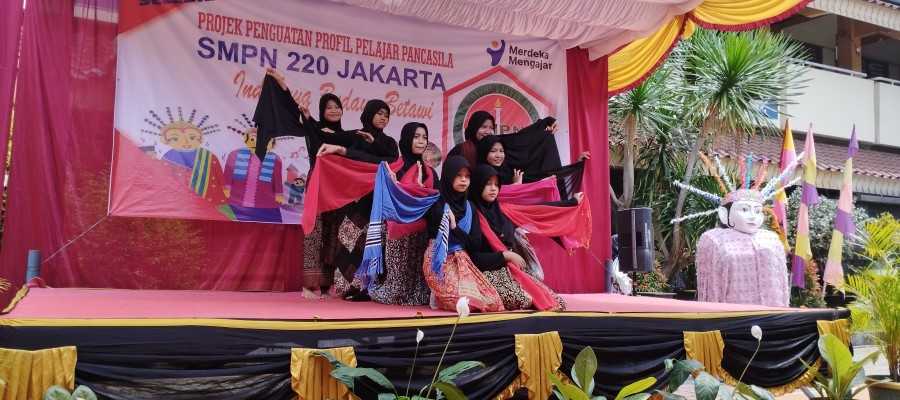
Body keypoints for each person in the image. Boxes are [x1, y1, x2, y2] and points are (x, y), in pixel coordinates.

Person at [316, 99, 400, 301]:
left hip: (376, 200)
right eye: (379, 113)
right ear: (369, 114)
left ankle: (370, 287)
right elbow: (330, 142)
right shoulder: (354, 136)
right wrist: (308, 119)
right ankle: (348, 287)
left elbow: (390, 161)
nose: (383, 118)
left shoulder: (389, 143)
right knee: (350, 241)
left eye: (386, 115)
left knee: (373, 241)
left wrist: (373, 144)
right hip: (353, 199)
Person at [469, 165, 581, 311]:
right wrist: (506, 256)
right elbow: (474, 257)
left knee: (555, 301)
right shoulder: (471, 215)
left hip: (510, 270)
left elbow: (539, 210)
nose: (493, 189)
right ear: (478, 184)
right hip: (485, 271)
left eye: (496, 184)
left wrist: (571, 202)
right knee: (521, 299)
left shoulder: (504, 212)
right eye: (488, 184)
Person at [422, 156, 504, 313]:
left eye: (467, 176)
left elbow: (475, 243)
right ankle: (437, 295)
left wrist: (455, 228)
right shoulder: (436, 203)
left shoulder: (469, 207)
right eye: (458, 175)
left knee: (493, 302)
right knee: (463, 303)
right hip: (439, 259)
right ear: (448, 176)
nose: (464, 180)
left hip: (462, 259)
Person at [369, 122, 438, 306]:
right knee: (396, 294)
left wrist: (420, 192)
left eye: (424, 137)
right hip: (399, 229)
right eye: (416, 137)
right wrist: (397, 187)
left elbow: (436, 200)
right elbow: (386, 203)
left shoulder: (430, 173)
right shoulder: (394, 169)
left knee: (421, 296)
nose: (421, 141)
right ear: (407, 139)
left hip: (423, 230)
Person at [695, 189, 790, 307]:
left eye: (757, 211)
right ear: (724, 213)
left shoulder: (771, 239)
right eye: (744, 209)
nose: (752, 216)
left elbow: (782, 282)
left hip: (771, 311)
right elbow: (711, 286)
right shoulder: (713, 239)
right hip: (733, 312)